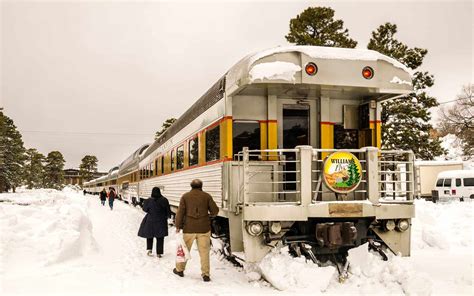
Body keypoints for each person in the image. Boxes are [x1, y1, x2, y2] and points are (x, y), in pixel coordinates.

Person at [173, 179, 219, 282]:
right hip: (204, 229)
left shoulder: (185, 196)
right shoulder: (207, 196)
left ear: (191, 186)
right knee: (204, 252)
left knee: (184, 250)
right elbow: (215, 211)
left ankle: (179, 270)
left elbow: (180, 212)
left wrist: (178, 226)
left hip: (189, 228)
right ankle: (206, 274)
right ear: (201, 186)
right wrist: (209, 216)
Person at [138, 187, 171, 257]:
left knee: (149, 235)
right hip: (161, 221)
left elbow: (144, 209)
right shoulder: (164, 200)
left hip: (150, 220)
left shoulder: (148, 200)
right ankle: (159, 253)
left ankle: (149, 250)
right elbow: (168, 211)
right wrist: (167, 216)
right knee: (160, 237)